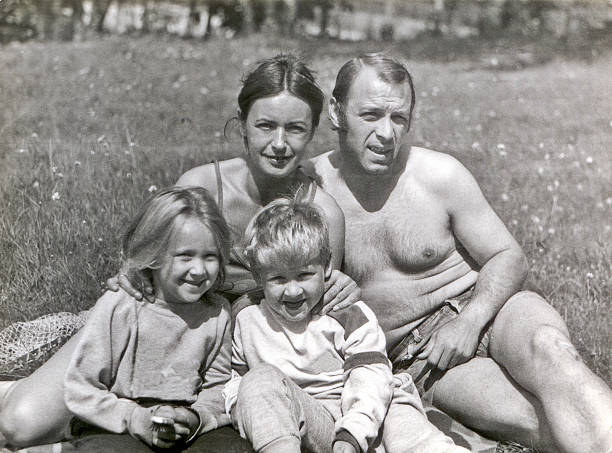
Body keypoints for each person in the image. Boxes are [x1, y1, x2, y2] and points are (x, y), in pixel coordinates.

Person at [0, 55, 357, 448]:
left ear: (312, 133)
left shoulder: (323, 213)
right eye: (265, 126)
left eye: (295, 129)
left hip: (237, 354)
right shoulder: (203, 185)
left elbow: (313, 316)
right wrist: (134, 276)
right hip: (157, 321)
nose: (279, 143)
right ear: (241, 125)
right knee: (20, 424)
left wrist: (340, 289)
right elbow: (151, 258)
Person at [302, 53, 612, 453]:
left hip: (491, 308)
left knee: (553, 353)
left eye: (399, 119)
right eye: (371, 115)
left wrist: (470, 320)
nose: (386, 134)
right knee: (531, 419)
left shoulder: (438, 174)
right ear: (337, 111)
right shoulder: (310, 190)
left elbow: (508, 255)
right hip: (422, 360)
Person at [225, 197, 469, 453]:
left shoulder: (346, 314)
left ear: (327, 265)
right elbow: (235, 384)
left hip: (368, 409)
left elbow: (370, 378)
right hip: (311, 419)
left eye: (304, 275)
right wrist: (243, 409)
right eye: (278, 279)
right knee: (258, 380)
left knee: (403, 422)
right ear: (257, 276)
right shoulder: (248, 319)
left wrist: (352, 434)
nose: (294, 290)